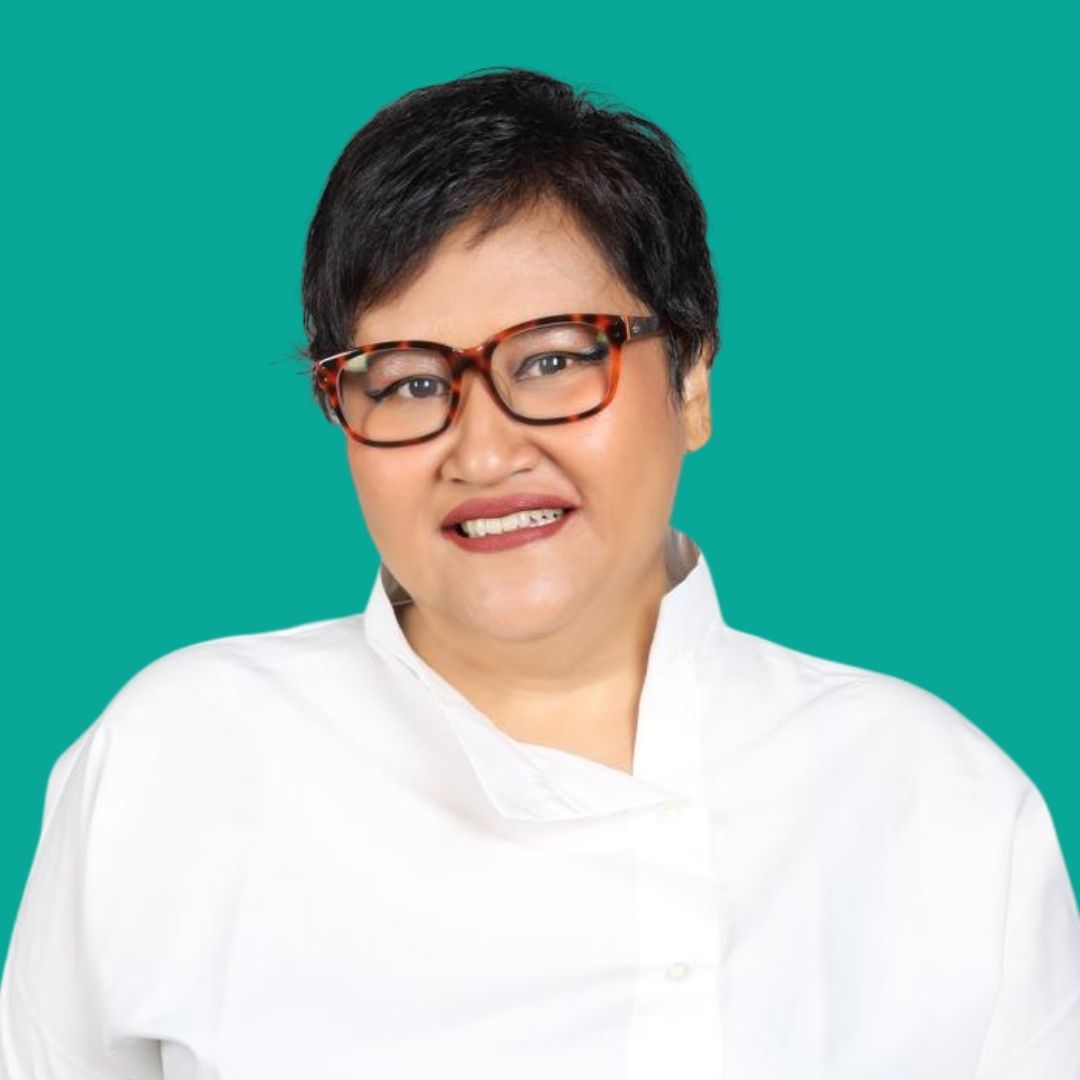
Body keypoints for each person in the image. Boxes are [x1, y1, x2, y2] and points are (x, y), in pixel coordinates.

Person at [1, 67, 1077, 1080]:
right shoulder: (177, 762)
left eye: (554, 358)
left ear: (691, 381)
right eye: (407, 381)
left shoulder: (936, 804)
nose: (481, 453)